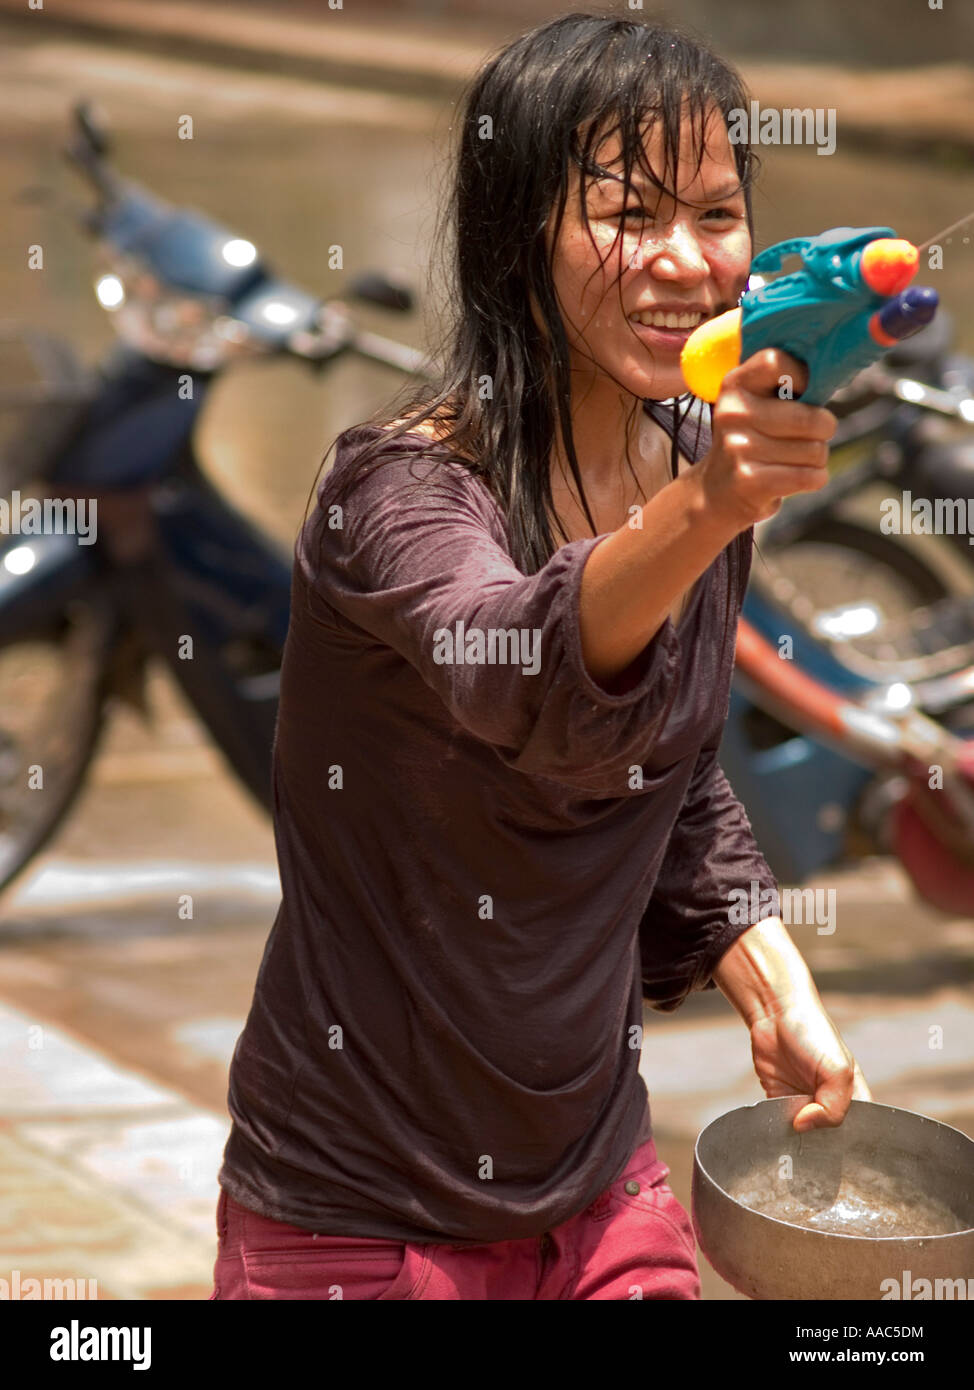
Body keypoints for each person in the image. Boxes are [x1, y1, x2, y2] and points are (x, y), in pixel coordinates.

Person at [210, 11, 871, 1301]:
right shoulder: (397, 495)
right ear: (519, 238)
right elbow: (519, 671)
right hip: (353, 1209)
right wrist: (712, 510)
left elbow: (661, 771)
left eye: (718, 213)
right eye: (628, 214)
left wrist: (768, 973)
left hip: (595, 1180)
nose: (685, 262)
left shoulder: (689, 454)